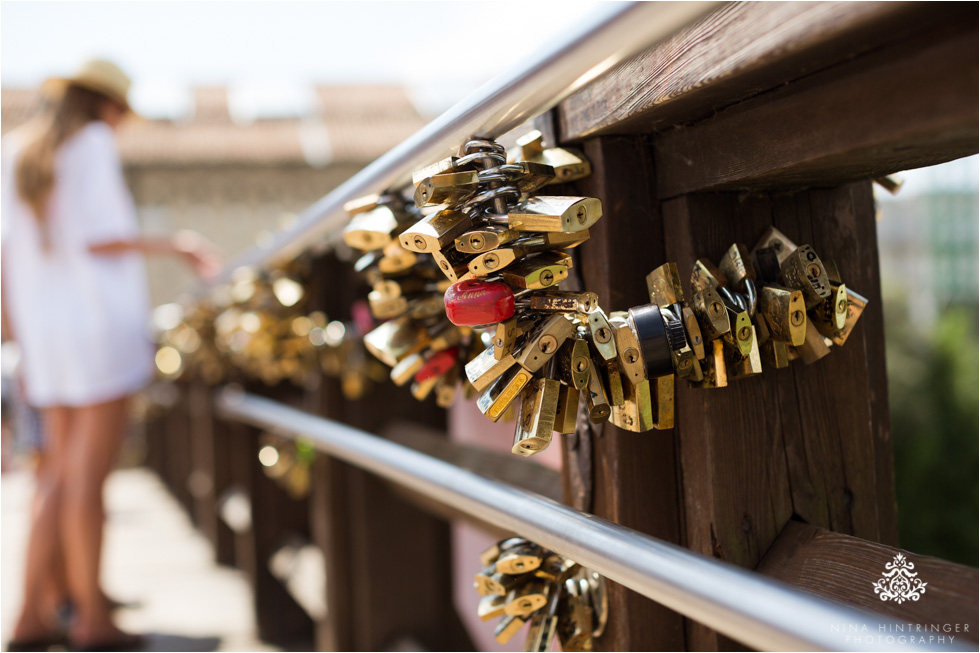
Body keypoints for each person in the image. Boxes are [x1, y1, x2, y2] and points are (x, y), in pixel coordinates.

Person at [1, 58, 219, 651]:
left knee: (55, 474)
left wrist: (15, 339)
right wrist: (178, 245)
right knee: (87, 479)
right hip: (96, 330)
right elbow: (99, 235)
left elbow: (6, 259)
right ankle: (92, 618)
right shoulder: (92, 141)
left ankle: (31, 615)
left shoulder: (16, 150)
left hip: (46, 339)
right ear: (106, 106)